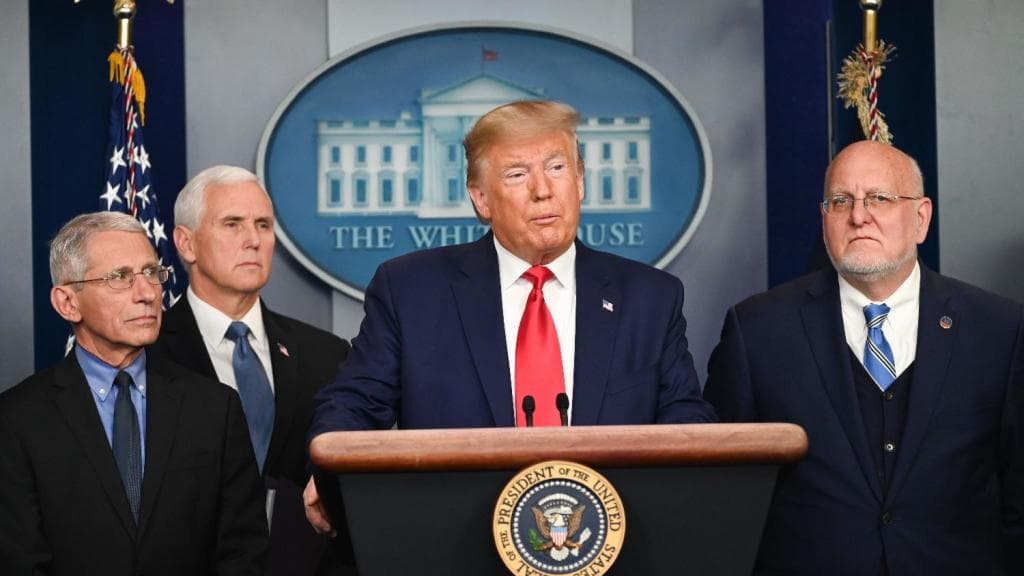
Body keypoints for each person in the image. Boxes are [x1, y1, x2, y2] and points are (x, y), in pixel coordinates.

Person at [305, 99, 717, 533]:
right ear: (481, 199)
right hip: (454, 539)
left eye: (557, 168)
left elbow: (685, 417)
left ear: (579, 182)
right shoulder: (411, 291)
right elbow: (353, 403)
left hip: (612, 541)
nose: (543, 189)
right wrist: (327, 471)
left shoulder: (648, 297)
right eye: (518, 175)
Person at [703, 140, 1024, 575]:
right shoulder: (757, 331)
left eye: (880, 199)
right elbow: (723, 497)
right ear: (824, 220)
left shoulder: (999, 330)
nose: (859, 216)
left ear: (921, 218)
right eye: (841, 201)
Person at [0, 212, 268, 575]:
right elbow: (19, 560)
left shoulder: (214, 408)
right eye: (120, 278)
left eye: (153, 274)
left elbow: (243, 553)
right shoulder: (18, 420)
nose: (147, 294)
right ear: (67, 302)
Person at [149, 166, 352, 575]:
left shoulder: (326, 354)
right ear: (185, 243)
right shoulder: (146, 355)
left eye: (263, 224)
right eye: (232, 224)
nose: (253, 240)